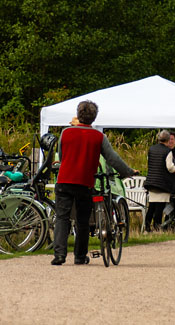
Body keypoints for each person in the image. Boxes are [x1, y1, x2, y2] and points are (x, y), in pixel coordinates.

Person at [52, 100, 136, 266]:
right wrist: (127, 171)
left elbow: (61, 156)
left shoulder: (65, 133)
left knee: (62, 217)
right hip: (85, 181)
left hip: (64, 179)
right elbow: (112, 158)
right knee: (83, 220)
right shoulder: (99, 137)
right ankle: (80, 256)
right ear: (94, 117)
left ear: (78, 114)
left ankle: (59, 255)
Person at [144, 130, 175, 232]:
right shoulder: (167, 151)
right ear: (167, 139)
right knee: (159, 207)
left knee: (151, 206)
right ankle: (157, 227)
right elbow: (170, 167)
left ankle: (147, 227)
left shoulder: (151, 149)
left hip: (151, 181)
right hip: (162, 183)